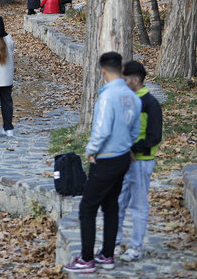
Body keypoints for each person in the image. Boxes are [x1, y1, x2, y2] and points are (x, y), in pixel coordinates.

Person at [63, 52, 141, 274]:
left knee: (87, 207)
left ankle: (87, 258)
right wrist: (128, 145)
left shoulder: (107, 97)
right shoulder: (133, 97)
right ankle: (107, 255)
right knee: (111, 206)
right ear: (121, 69)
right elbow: (135, 129)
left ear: (103, 70)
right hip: (123, 157)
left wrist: (91, 150)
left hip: (106, 157)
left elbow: (102, 129)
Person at [116, 61, 163, 262]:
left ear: (135, 80)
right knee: (117, 203)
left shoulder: (151, 103)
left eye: (124, 79)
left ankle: (135, 247)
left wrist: (134, 150)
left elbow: (154, 136)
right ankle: (114, 243)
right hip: (122, 161)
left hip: (141, 162)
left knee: (138, 206)